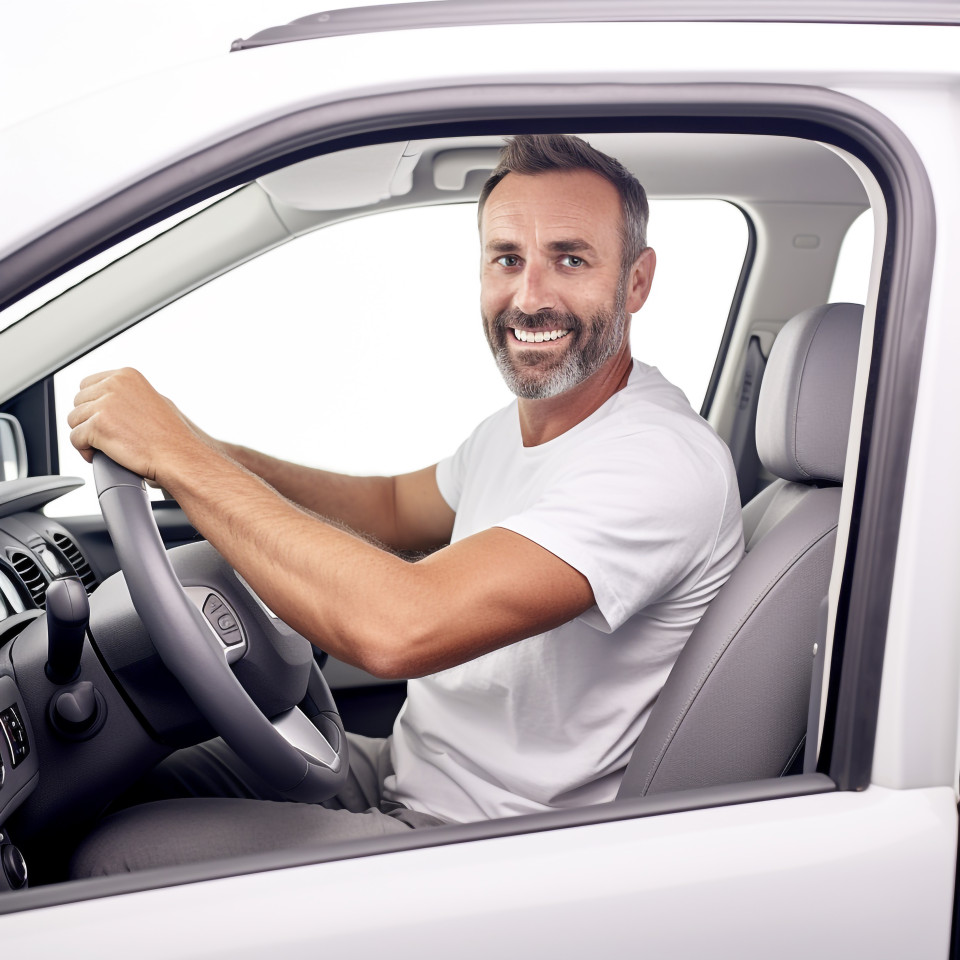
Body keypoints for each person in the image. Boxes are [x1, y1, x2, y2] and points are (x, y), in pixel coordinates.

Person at [67, 134, 744, 874]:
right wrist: (204, 449)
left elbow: (401, 626)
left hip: (484, 846)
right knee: (112, 784)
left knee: (111, 858)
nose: (530, 297)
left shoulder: (657, 462)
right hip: (400, 775)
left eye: (571, 258)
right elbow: (389, 509)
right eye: (507, 259)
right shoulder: (518, 429)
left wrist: (179, 456)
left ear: (637, 281)